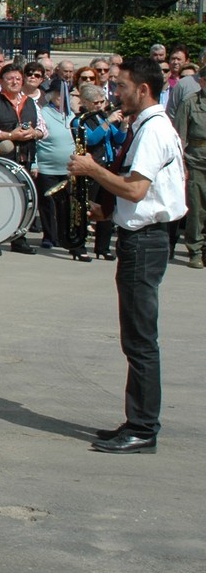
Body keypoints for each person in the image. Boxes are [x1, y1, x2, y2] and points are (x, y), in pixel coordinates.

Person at [66, 55, 185, 454]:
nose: (115, 92)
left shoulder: (153, 130)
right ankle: (138, 420)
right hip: (142, 236)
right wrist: (106, 210)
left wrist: (90, 169)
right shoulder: (145, 126)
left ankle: (143, 426)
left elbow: (137, 189)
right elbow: (139, 191)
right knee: (136, 336)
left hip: (146, 241)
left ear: (144, 89)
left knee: (139, 339)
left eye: (121, 86)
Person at [0, 63, 46, 256]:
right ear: (0, 82)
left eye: (17, 78)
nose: (15, 82)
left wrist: (34, 133)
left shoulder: (31, 103)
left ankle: (18, 239)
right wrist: (9, 136)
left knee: (23, 200)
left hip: (24, 159)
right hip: (1, 160)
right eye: (10, 79)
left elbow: (43, 129)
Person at [76, 83, 125, 261]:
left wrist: (124, 124)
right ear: (85, 102)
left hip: (107, 167)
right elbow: (91, 139)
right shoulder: (79, 120)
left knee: (106, 208)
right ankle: (78, 246)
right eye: (95, 102)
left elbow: (119, 138)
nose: (99, 105)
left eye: (101, 101)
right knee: (85, 210)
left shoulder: (101, 118)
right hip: (90, 169)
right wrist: (108, 121)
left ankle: (102, 247)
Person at [36, 85, 79, 256]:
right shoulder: (43, 112)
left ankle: (63, 236)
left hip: (67, 167)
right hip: (47, 166)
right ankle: (48, 235)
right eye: (59, 94)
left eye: (65, 95)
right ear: (51, 96)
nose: (63, 97)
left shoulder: (71, 114)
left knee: (66, 204)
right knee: (48, 203)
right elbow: (37, 140)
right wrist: (35, 164)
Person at [173, 73, 206, 269]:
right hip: (196, 161)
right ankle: (195, 250)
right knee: (197, 208)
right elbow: (179, 138)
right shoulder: (190, 102)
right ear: (202, 81)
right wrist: (182, 165)